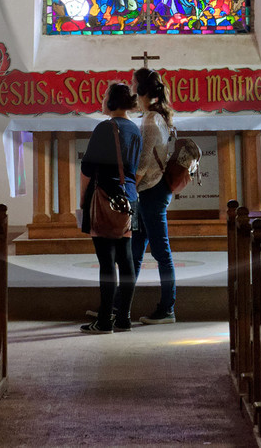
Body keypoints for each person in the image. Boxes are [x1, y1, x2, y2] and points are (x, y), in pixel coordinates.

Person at [80, 82, 142, 332]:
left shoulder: (105, 127)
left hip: (105, 197)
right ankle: (124, 318)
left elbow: (87, 168)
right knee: (126, 260)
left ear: (112, 101)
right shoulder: (135, 129)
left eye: (105, 95)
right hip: (129, 198)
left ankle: (105, 319)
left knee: (107, 263)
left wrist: (83, 202)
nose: (102, 99)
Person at [131, 67, 178, 323]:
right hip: (150, 190)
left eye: (133, 83)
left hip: (151, 190)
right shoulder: (156, 116)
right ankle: (119, 306)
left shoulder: (150, 120)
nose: (131, 87)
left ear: (140, 89)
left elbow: (143, 162)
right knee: (135, 251)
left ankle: (167, 308)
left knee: (161, 252)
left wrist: (129, 188)